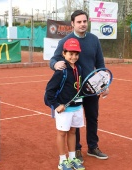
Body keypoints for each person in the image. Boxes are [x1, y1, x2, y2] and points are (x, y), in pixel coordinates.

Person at [49, 10, 109, 163]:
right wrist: (55, 64)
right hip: (72, 91)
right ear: (72, 24)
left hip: (91, 88)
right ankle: (75, 150)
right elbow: (54, 59)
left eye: (84, 21)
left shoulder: (94, 40)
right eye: (79, 22)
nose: (82, 24)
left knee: (92, 117)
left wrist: (103, 84)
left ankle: (93, 147)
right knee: (73, 124)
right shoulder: (66, 41)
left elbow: (100, 65)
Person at [45, 38, 85, 170]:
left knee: (73, 132)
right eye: (70, 54)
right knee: (62, 133)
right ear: (64, 53)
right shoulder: (61, 71)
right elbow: (49, 92)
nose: (73, 57)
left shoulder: (79, 68)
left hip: (77, 107)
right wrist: (56, 105)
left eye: (76, 54)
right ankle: (62, 160)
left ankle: (72, 158)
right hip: (64, 109)